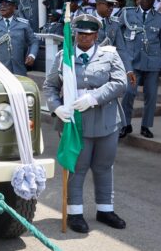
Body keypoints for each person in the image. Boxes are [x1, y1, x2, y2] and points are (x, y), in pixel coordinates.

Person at [43, 14, 128, 233]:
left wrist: (94, 97)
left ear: (97, 35)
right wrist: (56, 107)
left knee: (104, 166)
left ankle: (105, 209)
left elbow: (120, 83)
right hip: (75, 123)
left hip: (105, 120)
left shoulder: (109, 55)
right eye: (81, 34)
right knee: (77, 168)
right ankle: (75, 212)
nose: (86, 38)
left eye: (90, 34)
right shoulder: (64, 56)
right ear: (75, 34)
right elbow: (50, 86)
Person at [119, 0, 161, 139]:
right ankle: (125, 124)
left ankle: (146, 126)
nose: (147, 1)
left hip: (153, 63)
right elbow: (118, 34)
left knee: (151, 95)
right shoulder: (127, 14)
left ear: (154, 0)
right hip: (132, 62)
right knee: (129, 92)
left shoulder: (160, 19)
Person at [0, 0, 38, 75]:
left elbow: (34, 42)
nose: (2, 7)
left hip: (18, 70)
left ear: (14, 7)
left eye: (7, 4)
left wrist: (32, 55)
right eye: (1, 4)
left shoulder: (23, 24)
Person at [92, 0, 133, 73]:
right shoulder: (87, 21)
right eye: (108, 4)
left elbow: (121, 49)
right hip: (91, 66)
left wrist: (129, 70)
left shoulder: (114, 23)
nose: (111, 8)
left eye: (113, 5)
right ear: (98, 4)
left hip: (108, 67)